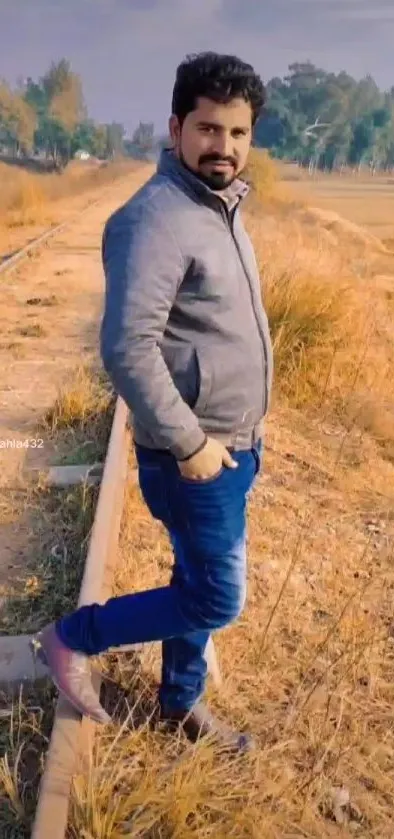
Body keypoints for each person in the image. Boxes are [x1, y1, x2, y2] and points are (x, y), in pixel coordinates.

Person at [32, 51, 273, 753]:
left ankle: (179, 698)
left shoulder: (220, 207)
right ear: (175, 128)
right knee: (215, 596)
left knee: (195, 574)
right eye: (206, 128)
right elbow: (127, 346)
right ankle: (74, 637)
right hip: (194, 452)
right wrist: (192, 444)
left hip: (235, 440)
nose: (221, 146)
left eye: (236, 132)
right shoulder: (157, 218)